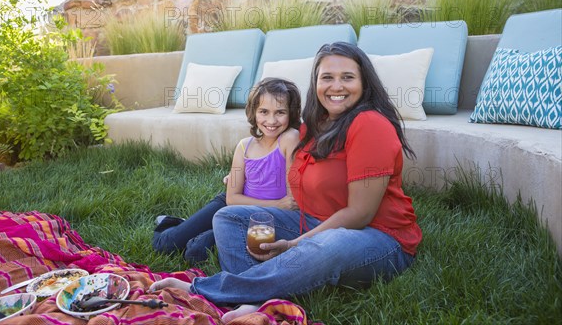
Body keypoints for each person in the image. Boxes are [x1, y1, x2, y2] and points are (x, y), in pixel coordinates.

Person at [150, 42, 422, 322]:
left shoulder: (370, 124)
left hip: (380, 237)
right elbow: (283, 159)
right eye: (327, 77)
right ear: (315, 82)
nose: (336, 86)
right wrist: (242, 174)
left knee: (330, 244)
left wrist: (297, 244)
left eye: (347, 77)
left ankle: (210, 289)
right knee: (229, 217)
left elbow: (359, 214)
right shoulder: (316, 125)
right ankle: (254, 301)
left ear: (364, 83)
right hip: (313, 221)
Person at [152, 77, 301, 264]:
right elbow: (232, 198)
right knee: (166, 245)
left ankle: (195, 232)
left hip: (255, 219)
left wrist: (278, 205)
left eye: (280, 112)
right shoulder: (244, 146)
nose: (271, 120)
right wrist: (278, 204)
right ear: (254, 113)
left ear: (291, 113)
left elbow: (291, 202)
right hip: (228, 206)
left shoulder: (290, 138)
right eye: (263, 111)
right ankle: (171, 223)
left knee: (196, 253)